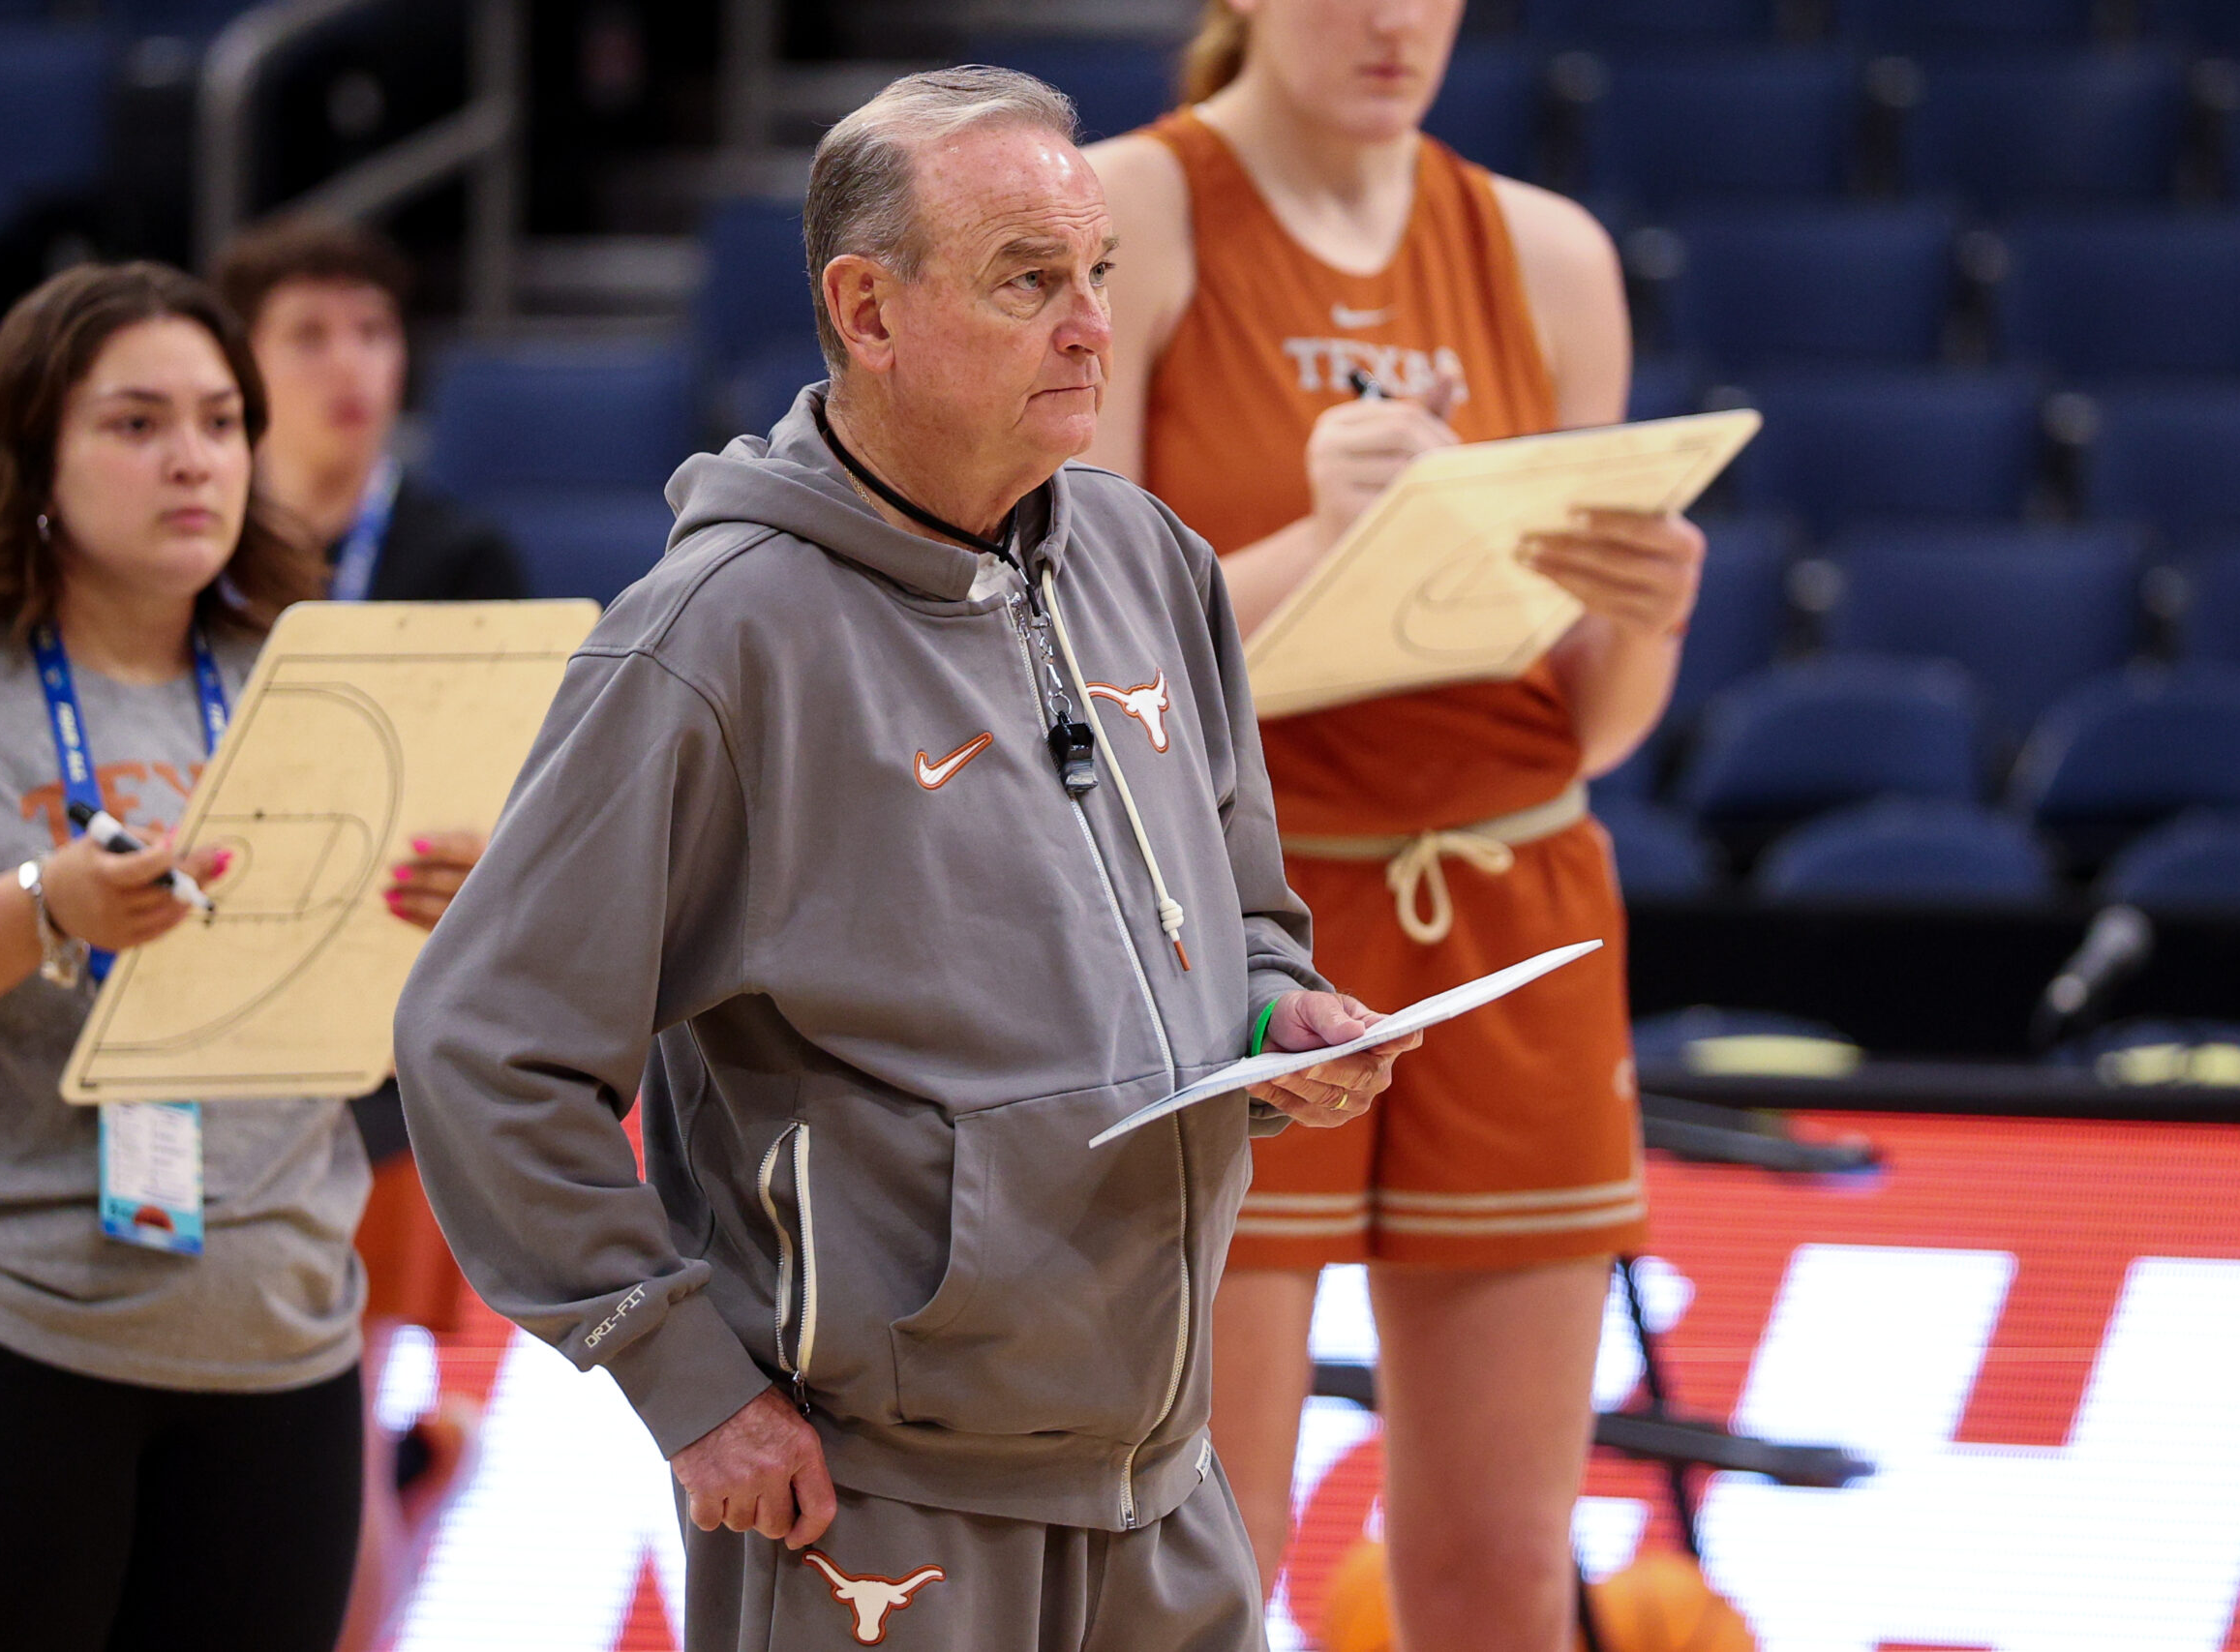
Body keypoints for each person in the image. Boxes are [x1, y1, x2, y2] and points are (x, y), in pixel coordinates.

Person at [396, 66, 1419, 1652]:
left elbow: (1249, 920)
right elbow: (482, 1049)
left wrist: (1281, 1018)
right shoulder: (715, 637)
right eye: (1028, 281)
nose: (1089, 324)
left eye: (1097, 276)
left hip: (1164, 1470)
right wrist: (684, 1385)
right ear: (866, 311)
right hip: (869, 1498)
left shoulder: (1154, 559)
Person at [1085, 5, 1708, 1648]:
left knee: (1504, 1573)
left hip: (1513, 893)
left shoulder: (1548, 252)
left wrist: (1646, 612)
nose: (1390, 20)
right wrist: (1315, 543)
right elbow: (1064, 655)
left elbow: (1587, 722)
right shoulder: (1126, 214)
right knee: (1208, 1553)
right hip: (1233, 919)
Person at [0, 261, 364, 1651]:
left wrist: (449, 911)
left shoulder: (324, 682)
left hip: (276, 1334)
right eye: (136, 424)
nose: (193, 461)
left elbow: (391, 1009)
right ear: (32, 458)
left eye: (223, 423)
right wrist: (43, 905)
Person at [215, 213, 523, 1651]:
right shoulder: (180, 551)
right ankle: (418, 1490)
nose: (352, 364)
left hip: (392, 1070)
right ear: (242, 367)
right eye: (310, 332)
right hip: (209, 1050)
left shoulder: (466, 553)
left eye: (375, 330)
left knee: (333, 1402)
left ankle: (385, 1563)